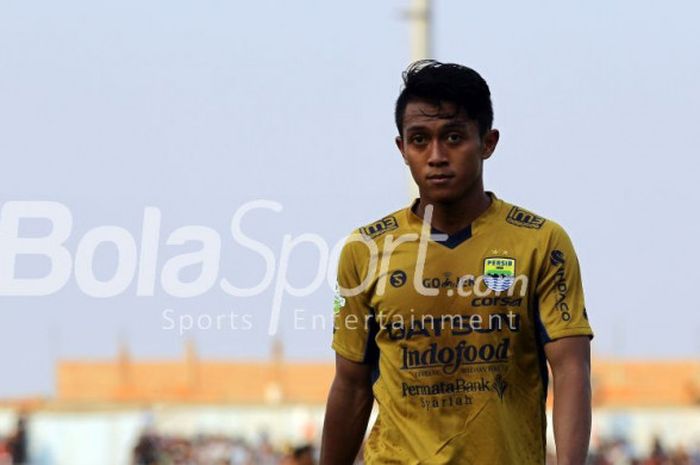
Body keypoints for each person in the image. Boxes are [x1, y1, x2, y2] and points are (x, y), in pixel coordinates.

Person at [320, 60, 593, 465]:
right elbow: (351, 385)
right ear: (402, 149)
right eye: (419, 140)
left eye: (453, 137)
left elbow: (570, 370)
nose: (436, 156)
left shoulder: (540, 242)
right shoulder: (365, 250)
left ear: (487, 142)